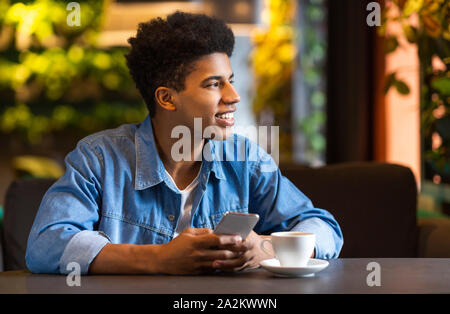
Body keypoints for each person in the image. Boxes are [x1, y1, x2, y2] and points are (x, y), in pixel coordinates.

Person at [25, 11, 343, 275]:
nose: (233, 97)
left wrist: (262, 249)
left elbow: (324, 228)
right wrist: (160, 258)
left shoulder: (244, 158)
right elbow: (46, 244)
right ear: (166, 98)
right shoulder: (98, 159)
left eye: (230, 81)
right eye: (213, 84)